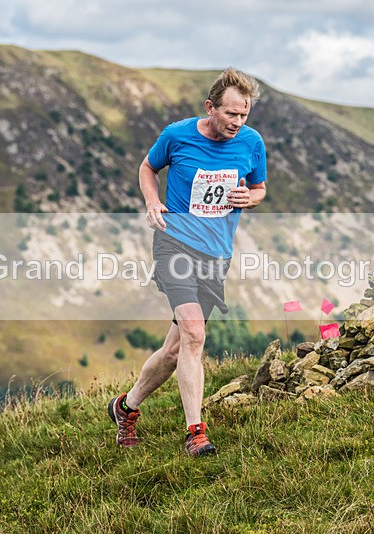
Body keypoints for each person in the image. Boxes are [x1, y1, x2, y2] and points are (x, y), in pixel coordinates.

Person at [108, 68, 268, 456]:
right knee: (195, 334)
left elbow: (260, 187)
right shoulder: (177, 135)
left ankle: (126, 407)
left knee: (175, 350)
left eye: (244, 114)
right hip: (174, 245)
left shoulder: (251, 142)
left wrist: (251, 199)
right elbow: (148, 167)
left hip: (216, 256)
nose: (237, 122)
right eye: (230, 113)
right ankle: (195, 433)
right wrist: (152, 202)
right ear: (210, 107)